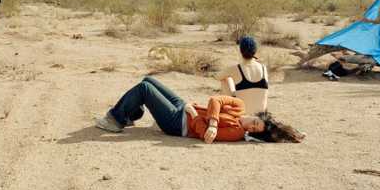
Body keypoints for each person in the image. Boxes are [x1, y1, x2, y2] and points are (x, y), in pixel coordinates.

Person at [95, 76, 304, 144]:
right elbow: (215, 100)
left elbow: (204, 134)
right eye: (256, 123)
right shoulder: (240, 106)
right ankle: (132, 114)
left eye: (254, 129)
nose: (251, 126)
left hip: (180, 124)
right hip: (185, 108)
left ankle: (115, 120)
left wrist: (196, 116)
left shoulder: (236, 132)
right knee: (148, 79)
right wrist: (212, 120)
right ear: (256, 116)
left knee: (145, 89)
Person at [217, 36, 268, 114]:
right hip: (261, 116)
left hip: (242, 114)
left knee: (226, 79)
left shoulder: (236, 68)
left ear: (240, 51)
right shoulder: (263, 68)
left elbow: (218, 76)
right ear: (255, 50)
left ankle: (224, 112)